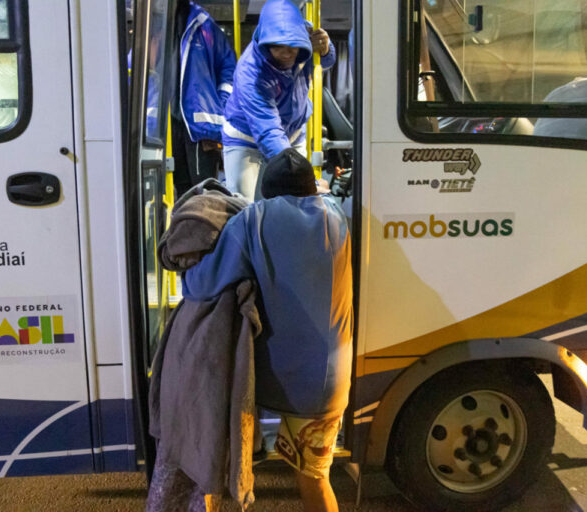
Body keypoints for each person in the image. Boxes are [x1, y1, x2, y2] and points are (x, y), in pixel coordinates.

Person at [183, 149, 353, 512]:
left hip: (265, 382)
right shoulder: (338, 215)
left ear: (267, 192)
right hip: (329, 385)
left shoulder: (254, 219)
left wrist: (186, 268)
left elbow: (203, 284)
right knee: (315, 479)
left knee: (215, 461)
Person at [222, 0, 336, 200]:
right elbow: (268, 132)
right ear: (266, 43)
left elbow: (325, 61)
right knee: (242, 205)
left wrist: (326, 49)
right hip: (246, 137)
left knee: (299, 202)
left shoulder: (307, 36)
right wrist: (307, 180)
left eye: (292, 47)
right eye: (277, 47)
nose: (286, 53)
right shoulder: (251, 73)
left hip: (293, 133)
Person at [171, 1, 237, 197]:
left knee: (204, 192)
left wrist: (221, 105)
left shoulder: (205, 25)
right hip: (165, 125)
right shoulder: (152, 23)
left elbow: (229, 69)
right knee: (175, 192)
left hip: (201, 126)